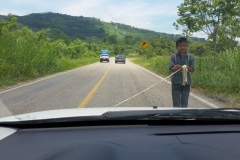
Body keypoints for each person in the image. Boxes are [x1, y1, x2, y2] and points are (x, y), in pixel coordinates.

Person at [169, 37, 195, 107]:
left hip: (186, 83)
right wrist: (175, 68)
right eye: (179, 46)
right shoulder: (173, 57)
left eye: (184, 45)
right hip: (176, 83)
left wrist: (183, 67)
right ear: (177, 47)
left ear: (187, 46)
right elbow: (171, 69)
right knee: (176, 103)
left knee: (185, 103)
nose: (182, 47)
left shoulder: (190, 57)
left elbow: (192, 69)